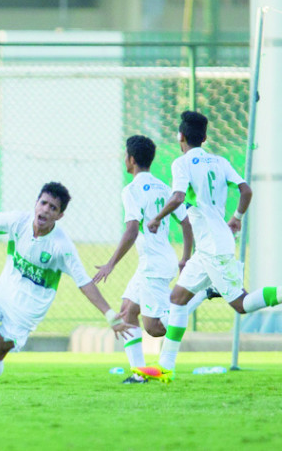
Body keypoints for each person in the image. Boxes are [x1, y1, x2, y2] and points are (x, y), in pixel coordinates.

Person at [0, 182, 130, 402]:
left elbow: (84, 283)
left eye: (52, 208)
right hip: (1, 295)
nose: (45, 210)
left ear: (59, 216)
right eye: (43, 203)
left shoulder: (62, 247)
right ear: (36, 203)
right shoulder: (18, 221)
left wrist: (109, 315)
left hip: (28, 310)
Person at [135, 111, 282, 384]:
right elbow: (246, 190)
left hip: (215, 247)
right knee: (177, 299)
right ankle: (166, 366)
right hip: (209, 246)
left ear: (181, 137)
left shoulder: (182, 163)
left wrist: (156, 218)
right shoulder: (221, 161)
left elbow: (177, 196)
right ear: (205, 137)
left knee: (242, 304)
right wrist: (236, 217)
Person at [93, 135, 211, 384]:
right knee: (127, 311)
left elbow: (132, 229)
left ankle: (202, 293)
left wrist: (111, 263)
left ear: (131, 160)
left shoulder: (131, 190)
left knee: (155, 328)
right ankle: (138, 374)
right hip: (158, 261)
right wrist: (185, 258)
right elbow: (186, 224)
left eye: (126, 156)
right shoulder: (163, 187)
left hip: (153, 266)